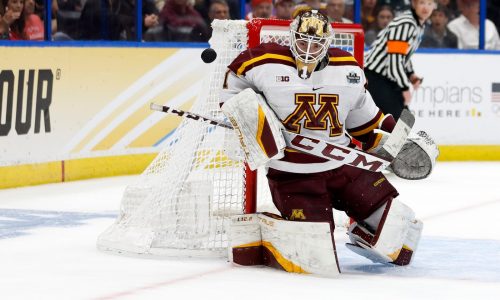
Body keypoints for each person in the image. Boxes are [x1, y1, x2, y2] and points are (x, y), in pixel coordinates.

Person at [220, 10, 428, 275]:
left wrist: (398, 140)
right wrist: (250, 115)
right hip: (294, 176)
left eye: (316, 43)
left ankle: (362, 234)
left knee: (402, 238)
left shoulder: (347, 68)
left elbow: (366, 122)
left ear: (328, 42)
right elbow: (231, 84)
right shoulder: (264, 61)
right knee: (315, 257)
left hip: (344, 166)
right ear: (292, 37)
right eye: (303, 41)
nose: (308, 49)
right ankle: (264, 232)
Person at [364, 0, 435, 120]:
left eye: (429, 4)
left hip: (385, 78)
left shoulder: (417, 24)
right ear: (414, 4)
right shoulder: (406, 24)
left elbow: (403, 55)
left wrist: (411, 75)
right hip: (374, 77)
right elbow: (395, 62)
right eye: (422, 3)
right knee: (398, 119)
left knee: (403, 120)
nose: (426, 8)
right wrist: (405, 88)